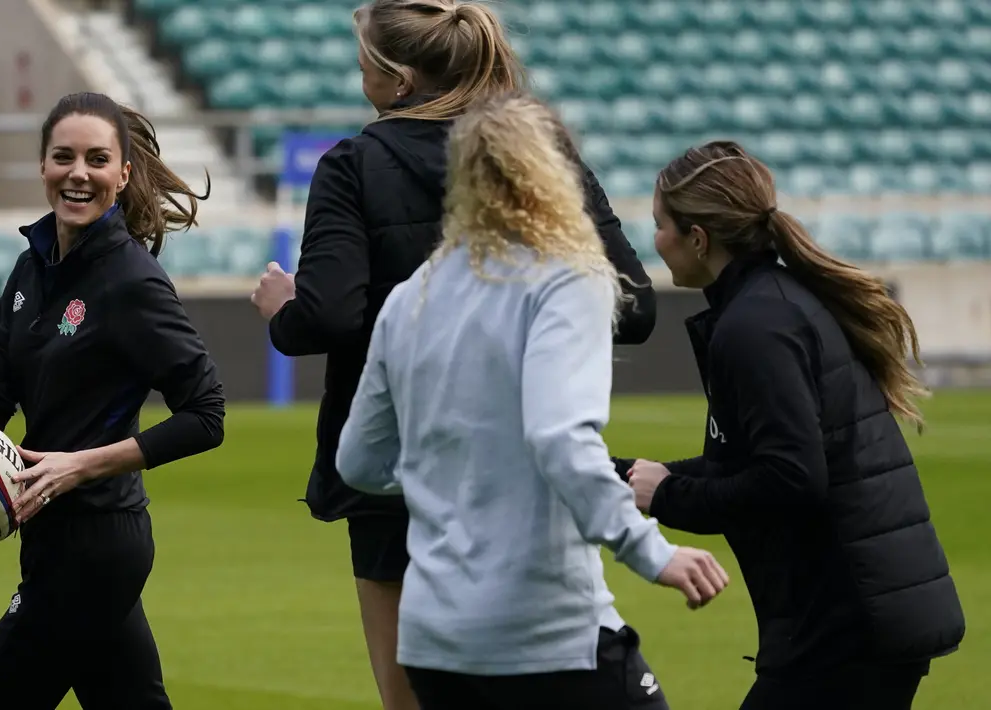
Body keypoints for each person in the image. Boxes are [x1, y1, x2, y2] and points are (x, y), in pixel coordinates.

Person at [249, 2, 657, 707]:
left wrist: (280, 308)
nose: (357, 73)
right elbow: (635, 306)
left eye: (365, 62)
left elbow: (328, 316)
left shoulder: (354, 163)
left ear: (398, 80)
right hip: (521, 465)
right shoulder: (540, 154)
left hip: (397, 470)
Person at [333, 91, 728, 710]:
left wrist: (460, 479)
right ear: (556, 173)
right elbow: (561, 438)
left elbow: (357, 461)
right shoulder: (569, 280)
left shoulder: (411, 295)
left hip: (435, 640)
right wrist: (653, 552)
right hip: (544, 635)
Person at [617, 140, 965, 710]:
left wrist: (671, 496)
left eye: (661, 225)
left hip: (849, 626)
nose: (654, 241)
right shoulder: (770, 303)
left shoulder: (755, 326)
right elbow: (750, 461)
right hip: (855, 618)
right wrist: (631, 477)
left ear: (698, 238)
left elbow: (791, 479)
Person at [0, 91, 225, 710]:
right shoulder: (30, 269)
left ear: (122, 173)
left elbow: (206, 413)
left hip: (97, 542)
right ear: (43, 165)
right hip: (53, 538)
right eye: (64, 157)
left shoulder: (132, 282)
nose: (78, 173)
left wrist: (83, 463)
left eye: (96, 159)